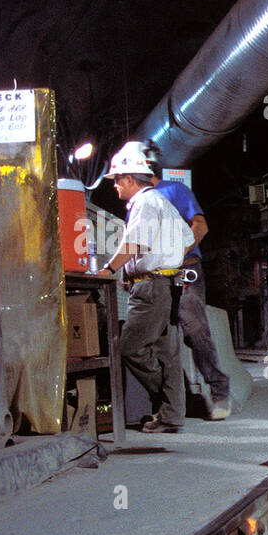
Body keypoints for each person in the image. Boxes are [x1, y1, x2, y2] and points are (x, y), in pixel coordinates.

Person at [93, 141, 193, 433]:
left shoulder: (145, 202)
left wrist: (109, 269)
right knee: (168, 354)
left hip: (152, 290)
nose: (115, 187)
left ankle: (164, 401)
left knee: (130, 347)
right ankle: (172, 416)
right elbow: (187, 240)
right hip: (168, 285)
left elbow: (136, 242)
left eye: (116, 181)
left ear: (127, 178)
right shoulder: (162, 202)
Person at [144, 144, 232, 420]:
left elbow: (200, 226)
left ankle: (220, 393)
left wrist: (177, 253)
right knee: (155, 339)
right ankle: (167, 404)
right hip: (155, 276)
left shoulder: (174, 191)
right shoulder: (136, 201)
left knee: (195, 332)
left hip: (184, 271)